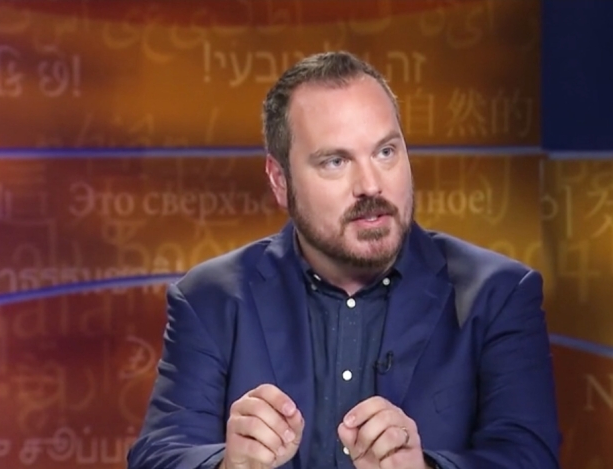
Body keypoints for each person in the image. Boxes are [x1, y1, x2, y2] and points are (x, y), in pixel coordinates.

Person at [126, 51, 561, 469]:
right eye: (335, 161)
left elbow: (531, 459)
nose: (371, 184)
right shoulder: (211, 299)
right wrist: (229, 466)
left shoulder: (498, 295)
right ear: (280, 181)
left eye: (386, 152)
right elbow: (158, 456)